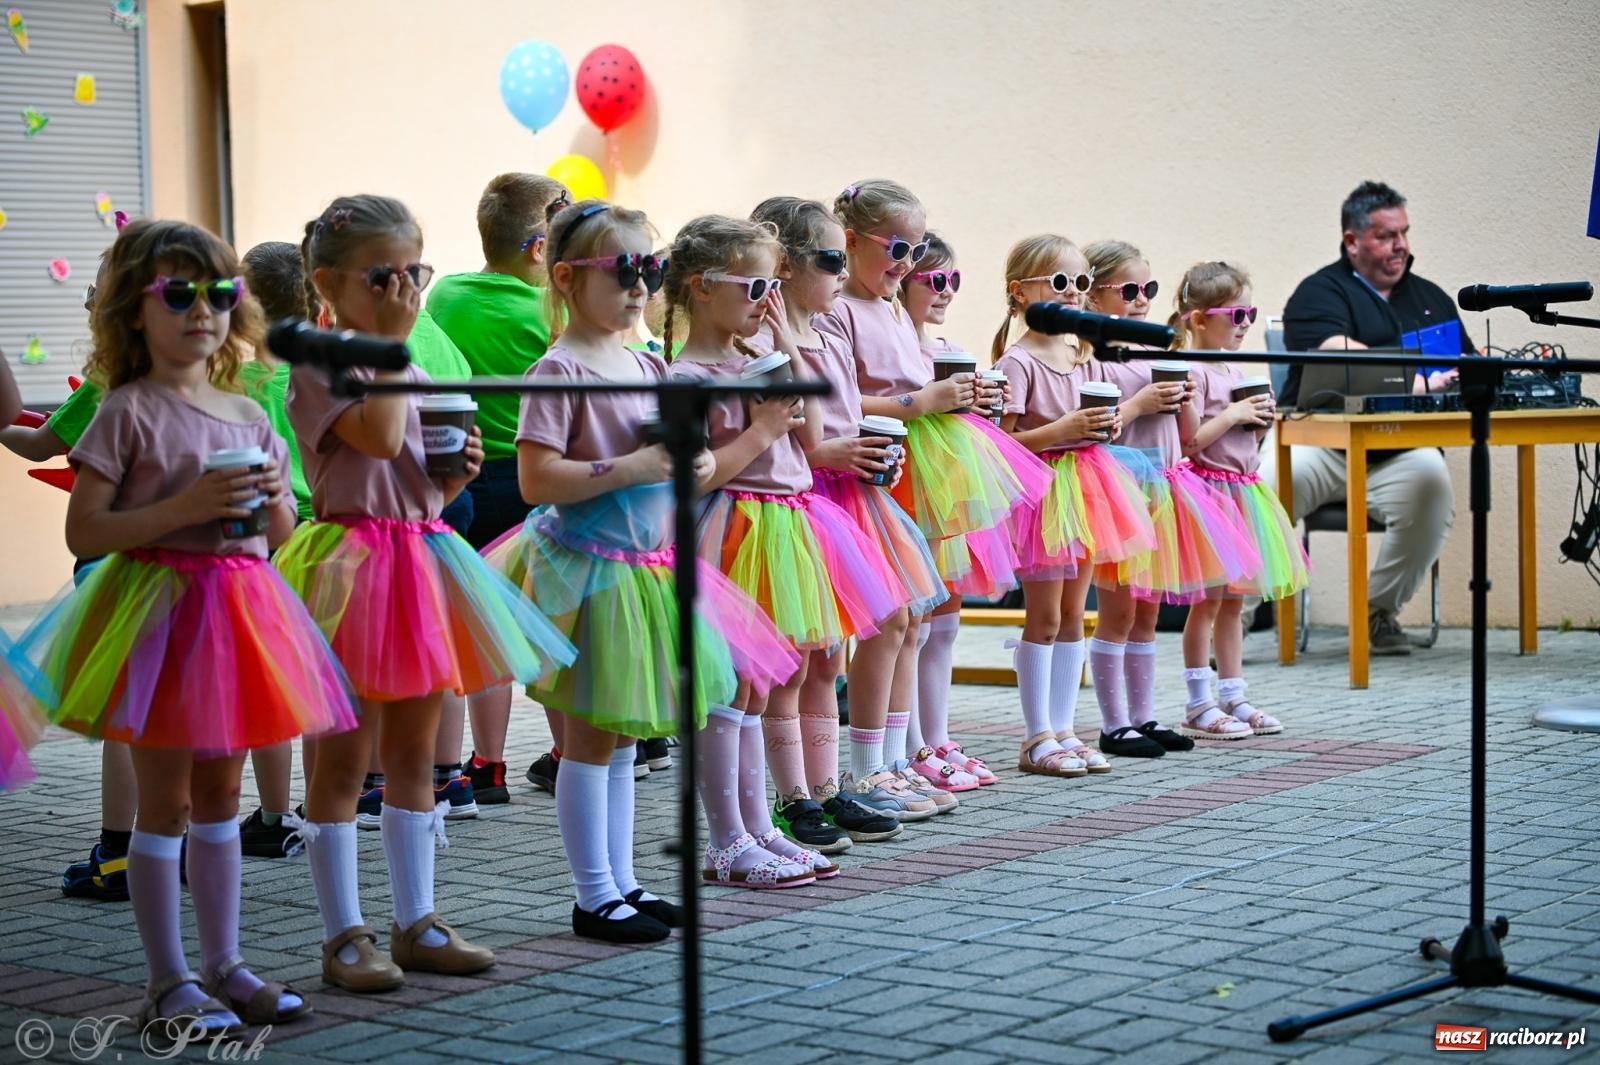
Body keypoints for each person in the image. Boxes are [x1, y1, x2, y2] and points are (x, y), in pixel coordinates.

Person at [16, 219, 358, 1034]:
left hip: (240, 610)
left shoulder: (246, 410)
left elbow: (279, 531)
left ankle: (224, 962)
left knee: (220, 793)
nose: (201, 309)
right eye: (178, 292)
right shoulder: (124, 412)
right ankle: (167, 981)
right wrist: (182, 510)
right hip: (159, 614)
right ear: (135, 311)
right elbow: (86, 531)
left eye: (218, 292)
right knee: (163, 803)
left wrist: (276, 490)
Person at [277, 194, 573, 990]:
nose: (403, 291)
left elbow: (405, 468)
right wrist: (391, 343)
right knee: (342, 762)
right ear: (329, 283)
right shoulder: (324, 360)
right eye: (384, 276)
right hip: (349, 568)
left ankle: (417, 919)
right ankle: (343, 934)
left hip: (420, 553)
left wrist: (452, 479)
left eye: (414, 272)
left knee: (414, 755)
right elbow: (370, 438)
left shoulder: (396, 354)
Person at [484, 201, 805, 928]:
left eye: (649, 270)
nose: (639, 286)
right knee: (591, 738)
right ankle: (593, 892)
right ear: (566, 277)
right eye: (623, 269)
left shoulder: (644, 361)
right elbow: (538, 480)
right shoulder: (559, 369)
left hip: (647, 569)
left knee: (627, 735)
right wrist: (630, 465)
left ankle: (624, 882)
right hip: (588, 570)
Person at [664, 214, 906, 856]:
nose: (767, 302)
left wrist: (788, 351)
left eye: (773, 288)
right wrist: (763, 429)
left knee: (780, 676)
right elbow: (699, 474)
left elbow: (815, 431)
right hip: (738, 526)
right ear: (702, 288)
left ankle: (766, 824)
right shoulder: (687, 377)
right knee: (741, 683)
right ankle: (737, 833)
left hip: (792, 520)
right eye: (755, 289)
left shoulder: (758, 359)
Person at [821, 180, 1050, 796]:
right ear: (848, 241)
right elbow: (843, 403)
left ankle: (900, 756)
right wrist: (921, 402)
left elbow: (918, 382)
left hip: (919, 467)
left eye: (918, 251)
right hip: (877, 472)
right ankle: (871, 766)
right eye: (898, 246)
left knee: (915, 619)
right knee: (888, 619)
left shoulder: (892, 307)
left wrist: (961, 397)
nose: (908, 264)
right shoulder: (840, 309)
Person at [750, 196, 946, 823]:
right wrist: (841, 448)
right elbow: (800, 440)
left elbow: (835, 413)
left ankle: (835, 784)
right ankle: (795, 796)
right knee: (794, 657)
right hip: (805, 501)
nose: (840, 272)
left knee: (831, 652)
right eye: (832, 258)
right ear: (786, 265)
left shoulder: (819, 328)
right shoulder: (776, 338)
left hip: (842, 497)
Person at [426, 172, 574, 800]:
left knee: (481, 624)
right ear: (541, 250)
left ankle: (487, 766)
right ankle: (570, 752)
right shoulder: (553, 314)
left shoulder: (444, 298)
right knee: (548, 623)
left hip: (466, 475)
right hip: (535, 478)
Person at [1082, 240, 1258, 758]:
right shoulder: (1094, 359)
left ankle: (1143, 716)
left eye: (1149, 289)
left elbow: (1186, 434)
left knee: (1148, 611)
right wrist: (1141, 403)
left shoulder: (1160, 351)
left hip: (1164, 487)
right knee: (1116, 611)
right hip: (1119, 488)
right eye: (1130, 290)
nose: (1141, 300)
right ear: (1094, 296)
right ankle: (1114, 724)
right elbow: (1097, 428)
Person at [993, 234, 1154, 777]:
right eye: (1060, 283)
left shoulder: (1082, 354)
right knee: (1042, 616)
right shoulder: (1018, 362)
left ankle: (1064, 728)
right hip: (1044, 494)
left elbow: (1094, 423)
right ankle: (1036, 735)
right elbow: (1003, 442)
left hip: (1088, 488)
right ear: (1021, 293)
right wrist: (1063, 430)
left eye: (1081, 283)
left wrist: (1101, 426)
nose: (1074, 294)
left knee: (1072, 617)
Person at [1278, 180, 1461, 654]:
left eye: (1404, 233)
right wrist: (1419, 383)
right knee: (1263, 488)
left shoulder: (1431, 298)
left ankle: (1376, 613)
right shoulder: (1317, 293)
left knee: (1433, 486)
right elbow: (1342, 359)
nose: (1400, 246)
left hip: (1397, 451)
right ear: (1352, 241)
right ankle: (1229, 610)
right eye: (1385, 236)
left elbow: (1467, 368)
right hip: (1319, 445)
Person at [1174, 261, 1309, 739]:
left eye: (1249, 313)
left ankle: (1234, 694)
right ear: (1198, 319)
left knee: (1234, 602)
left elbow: (1242, 441)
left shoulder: (1235, 369)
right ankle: (1198, 702)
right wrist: (1234, 413)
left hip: (1243, 492)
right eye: (1235, 314)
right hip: (1209, 492)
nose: (1245, 323)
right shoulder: (1192, 371)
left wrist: (1260, 421)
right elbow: (1191, 443)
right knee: (1207, 603)